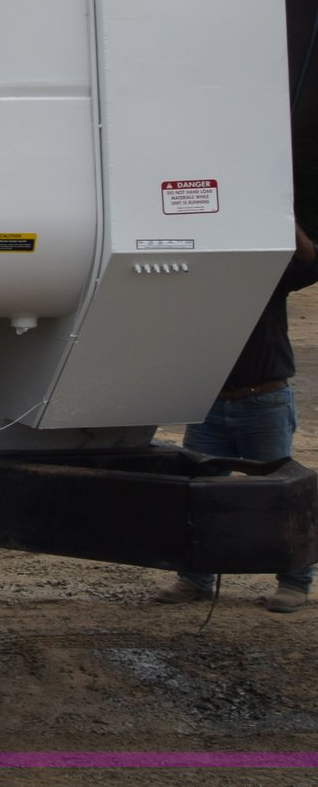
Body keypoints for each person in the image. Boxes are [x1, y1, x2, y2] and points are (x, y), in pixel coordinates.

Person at [156, 223, 318, 612]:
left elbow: (310, 262)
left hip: (263, 401)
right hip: (208, 404)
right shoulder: (191, 285)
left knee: (280, 493)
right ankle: (195, 578)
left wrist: (282, 215)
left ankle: (294, 583)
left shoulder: (264, 276)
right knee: (197, 492)